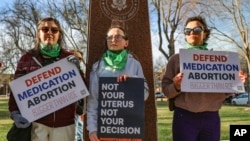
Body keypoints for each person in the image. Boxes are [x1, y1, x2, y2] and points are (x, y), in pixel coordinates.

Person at [161, 15, 247, 141]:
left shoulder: (221, 60)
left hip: (211, 118)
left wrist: (237, 81)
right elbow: (166, 90)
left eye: (197, 30)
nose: (192, 33)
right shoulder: (175, 60)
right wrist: (176, 86)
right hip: (184, 117)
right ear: (185, 34)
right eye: (187, 30)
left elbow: (226, 91)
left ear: (205, 33)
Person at [8, 17, 84, 141]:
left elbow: (82, 88)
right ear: (38, 33)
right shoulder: (26, 59)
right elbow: (16, 91)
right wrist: (15, 113)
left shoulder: (69, 58)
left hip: (65, 123)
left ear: (59, 35)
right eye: (45, 29)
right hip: (37, 122)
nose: (49, 32)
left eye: (54, 30)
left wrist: (78, 71)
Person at [86, 22, 149, 141]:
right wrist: (92, 128)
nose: (113, 40)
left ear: (126, 42)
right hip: (106, 129)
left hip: (130, 130)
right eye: (109, 37)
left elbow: (145, 94)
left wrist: (133, 83)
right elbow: (93, 101)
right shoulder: (97, 67)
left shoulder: (135, 64)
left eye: (118, 36)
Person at [69, 49, 86, 141]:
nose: (78, 60)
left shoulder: (81, 73)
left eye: (80, 59)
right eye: (76, 57)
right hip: (70, 112)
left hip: (79, 112)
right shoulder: (66, 72)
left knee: (79, 136)